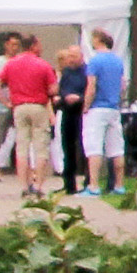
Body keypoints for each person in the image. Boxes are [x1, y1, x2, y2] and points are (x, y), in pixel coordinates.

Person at [0, 31, 59, 190]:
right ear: (33, 46)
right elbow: (53, 90)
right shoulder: (43, 65)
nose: (41, 47)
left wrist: (6, 102)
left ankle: (24, 186)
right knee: (40, 147)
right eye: (39, 44)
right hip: (38, 106)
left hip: (19, 107)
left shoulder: (11, 64)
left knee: (21, 148)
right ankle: (38, 186)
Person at [50, 30, 98, 195]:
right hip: (68, 112)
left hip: (82, 112)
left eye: (74, 56)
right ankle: (68, 183)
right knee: (67, 147)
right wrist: (63, 96)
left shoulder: (87, 71)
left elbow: (91, 89)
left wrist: (79, 98)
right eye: (69, 56)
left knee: (84, 147)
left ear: (81, 56)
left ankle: (88, 180)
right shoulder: (67, 72)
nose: (70, 60)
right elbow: (61, 89)